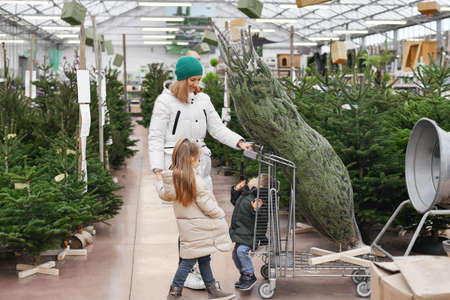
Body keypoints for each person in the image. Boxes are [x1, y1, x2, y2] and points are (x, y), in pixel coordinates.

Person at [149, 55, 253, 289]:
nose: (197, 84)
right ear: (182, 79)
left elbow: (216, 128)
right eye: (193, 80)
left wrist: (239, 142)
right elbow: (155, 135)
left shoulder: (203, 99)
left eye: (198, 79)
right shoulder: (165, 102)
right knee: (188, 223)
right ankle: (189, 271)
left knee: (197, 221)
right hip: (177, 169)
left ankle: (193, 270)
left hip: (199, 166)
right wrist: (157, 168)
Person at [156, 138, 235, 300]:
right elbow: (206, 203)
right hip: (200, 226)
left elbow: (164, 193)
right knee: (188, 261)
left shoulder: (175, 179)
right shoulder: (194, 180)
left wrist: (159, 183)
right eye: (199, 158)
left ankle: (212, 290)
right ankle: (174, 293)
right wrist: (220, 214)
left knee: (203, 258)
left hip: (189, 228)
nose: (200, 161)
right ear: (192, 159)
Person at [229, 174, 269, 291]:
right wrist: (236, 190)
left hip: (251, 235)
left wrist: (256, 209)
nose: (252, 179)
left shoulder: (259, 199)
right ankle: (244, 274)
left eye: (256, 179)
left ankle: (249, 275)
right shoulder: (246, 194)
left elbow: (262, 217)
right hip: (241, 233)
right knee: (235, 255)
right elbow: (235, 201)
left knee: (241, 252)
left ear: (260, 186)